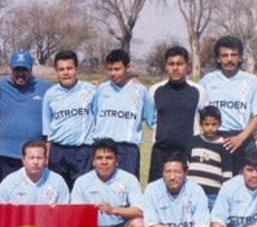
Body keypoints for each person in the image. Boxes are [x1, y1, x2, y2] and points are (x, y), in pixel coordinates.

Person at [71, 138, 144, 227]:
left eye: (109, 158)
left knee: (139, 224)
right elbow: (75, 214)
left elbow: (139, 210)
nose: (104, 162)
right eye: (99, 158)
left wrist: (113, 210)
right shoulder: (82, 182)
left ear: (117, 161)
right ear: (93, 161)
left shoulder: (129, 179)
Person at [139, 152, 215, 227]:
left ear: (185, 173)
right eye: (168, 172)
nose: (172, 177)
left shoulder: (196, 190)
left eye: (177, 172)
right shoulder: (152, 189)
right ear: (162, 173)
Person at [199, 36, 257, 174]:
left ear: (240, 58)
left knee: (245, 181)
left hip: (243, 138)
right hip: (215, 137)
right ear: (218, 58)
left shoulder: (251, 81)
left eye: (234, 55)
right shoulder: (207, 81)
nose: (229, 59)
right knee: (215, 181)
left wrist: (241, 138)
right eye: (225, 55)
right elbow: (198, 111)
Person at [92, 49, 155, 179]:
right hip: (103, 147)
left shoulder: (140, 91)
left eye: (117, 69)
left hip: (128, 149)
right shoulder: (101, 90)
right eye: (110, 69)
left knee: (127, 186)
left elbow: (152, 119)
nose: (113, 73)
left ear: (127, 68)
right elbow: (94, 115)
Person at [148, 46, 206, 182]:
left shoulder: (198, 91)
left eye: (179, 64)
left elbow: (206, 119)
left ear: (187, 66)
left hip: (187, 152)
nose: (175, 68)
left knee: (187, 190)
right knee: (156, 190)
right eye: (171, 64)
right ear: (165, 66)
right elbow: (150, 120)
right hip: (160, 152)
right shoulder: (155, 90)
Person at [43, 50, 97, 189]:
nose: (65, 73)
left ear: (77, 70)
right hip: (58, 151)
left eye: (69, 68)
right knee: (57, 191)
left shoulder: (90, 90)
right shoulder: (50, 94)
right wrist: (47, 154)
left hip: (83, 150)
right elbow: (47, 130)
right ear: (56, 71)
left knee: (82, 191)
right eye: (61, 69)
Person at [0, 50, 51, 181]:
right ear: (11, 68)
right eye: (17, 69)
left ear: (31, 69)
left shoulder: (45, 88)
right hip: (6, 155)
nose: (20, 74)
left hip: (35, 156)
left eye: (24, 69)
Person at [186, 106, 234, 211]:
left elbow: (227, 173)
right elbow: (186, 165)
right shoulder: (193, 141)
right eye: (206, 124)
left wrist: (225, 194)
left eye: (214, 124)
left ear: (220, 124)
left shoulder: (224, 145)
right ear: (201, 124)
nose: (210, 128)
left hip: (213, 195)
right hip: (191, 193)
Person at [0, 139, 70, 205]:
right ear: (23, 160)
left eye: (39, 158)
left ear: (46, 160)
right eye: (31, 158)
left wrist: (58, 210)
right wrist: (8, 209)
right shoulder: (9, 183)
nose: (35, 162)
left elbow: (67, 212)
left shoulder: (58, 182)